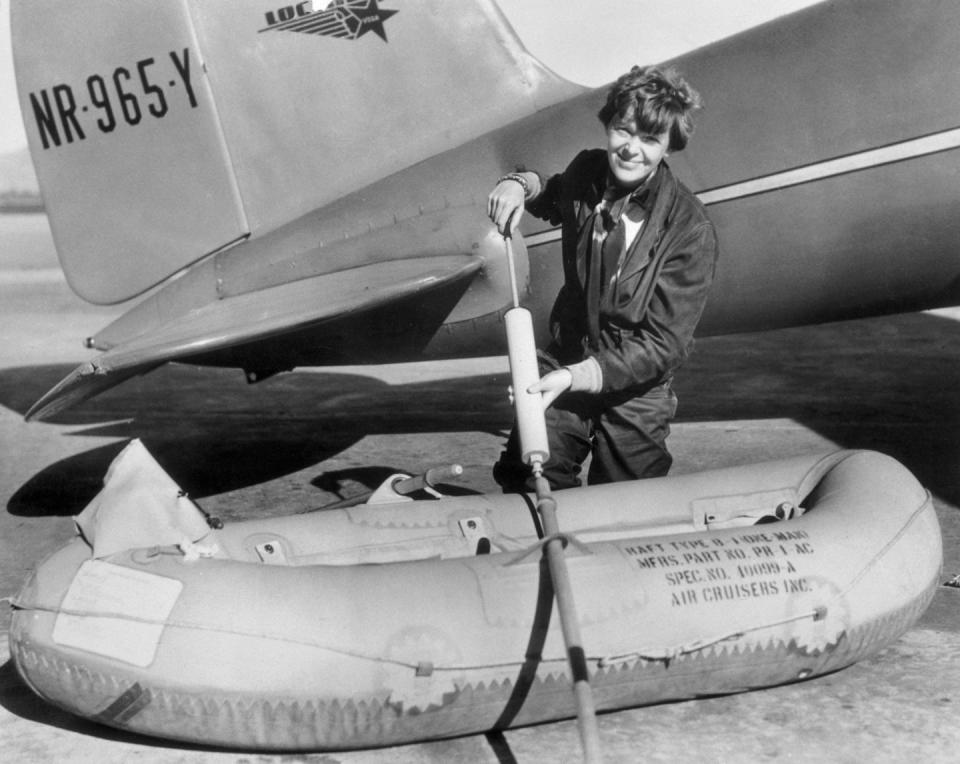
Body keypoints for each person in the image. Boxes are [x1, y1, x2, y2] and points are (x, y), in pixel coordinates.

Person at [487, 64, 718, 491]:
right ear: (608, 127)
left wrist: (579, 376)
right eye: (623, 131)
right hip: (568, 356)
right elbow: (554, 192)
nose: (631, 149)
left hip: (636, 390)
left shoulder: (690, 229)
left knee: (624, 506)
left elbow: (664, 344)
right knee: (528, 479)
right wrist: (519, 184)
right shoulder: (586, 172)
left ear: (669, 147)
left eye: (650, 139)